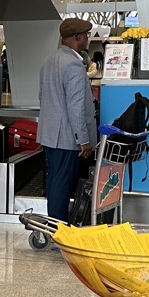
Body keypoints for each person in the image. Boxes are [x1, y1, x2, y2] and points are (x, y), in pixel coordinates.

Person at [38, 17, 96, 222]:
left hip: (50, 134)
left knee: (54, 179)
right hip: (67, 136)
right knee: (62, 182)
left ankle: (54, 223)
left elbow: (42, 96)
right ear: (78, 37)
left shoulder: (49, 60)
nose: (88, 39)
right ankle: (59, 227)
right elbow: (76, 106)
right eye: (86, 35)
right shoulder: (73, 65)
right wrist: (84, 139)